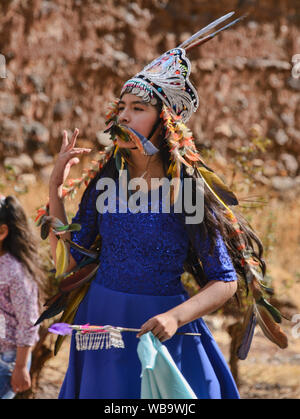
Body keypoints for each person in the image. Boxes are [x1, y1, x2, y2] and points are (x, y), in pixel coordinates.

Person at [44, 14, 279, 399]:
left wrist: (175, 317)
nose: (123, 116)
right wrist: (55, 187)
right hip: (103, 327)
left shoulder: (184, 192)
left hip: (163, 327)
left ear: (163, 120)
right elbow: (74, 261)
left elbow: (224, 280)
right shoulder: (105, 185)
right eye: (121, 107)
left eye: (137, 108)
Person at [0, 196, 42, 399]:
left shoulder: (15, 272)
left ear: (2, 232)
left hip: (7, 361)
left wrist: (20, 366)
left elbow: (28, 322)